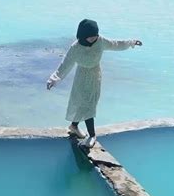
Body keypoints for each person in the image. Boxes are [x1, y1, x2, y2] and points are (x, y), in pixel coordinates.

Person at [46, 19, 142, 148]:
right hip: (81, 77)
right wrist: (54, 78)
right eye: (91, 37)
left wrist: (131, 42)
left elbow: (116, 44)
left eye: (95, 36)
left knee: (89, 104)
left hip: (95, 76)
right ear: (83, 36)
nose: (94, 39)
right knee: (81, 102)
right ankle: (74, 126)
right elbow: (65, 64)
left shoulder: (101, 41)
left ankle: (91, 135)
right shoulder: (75, 48)